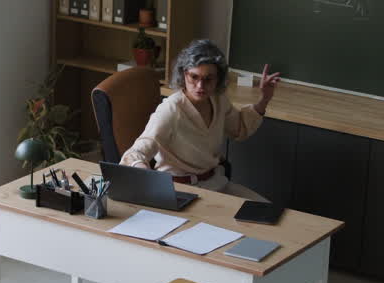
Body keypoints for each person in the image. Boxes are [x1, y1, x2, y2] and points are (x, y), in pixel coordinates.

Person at [120, 38, 280, 199]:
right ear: (184, 74)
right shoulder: (170, 110)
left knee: (266, 210)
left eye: (208, 79)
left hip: (216, 184)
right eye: (194, 77)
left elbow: (240, 128)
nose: (200, 86)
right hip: (180, 191)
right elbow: (136, 152)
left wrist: (264, 99)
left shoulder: (218, 99)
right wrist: (145, 173)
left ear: (218, 79)